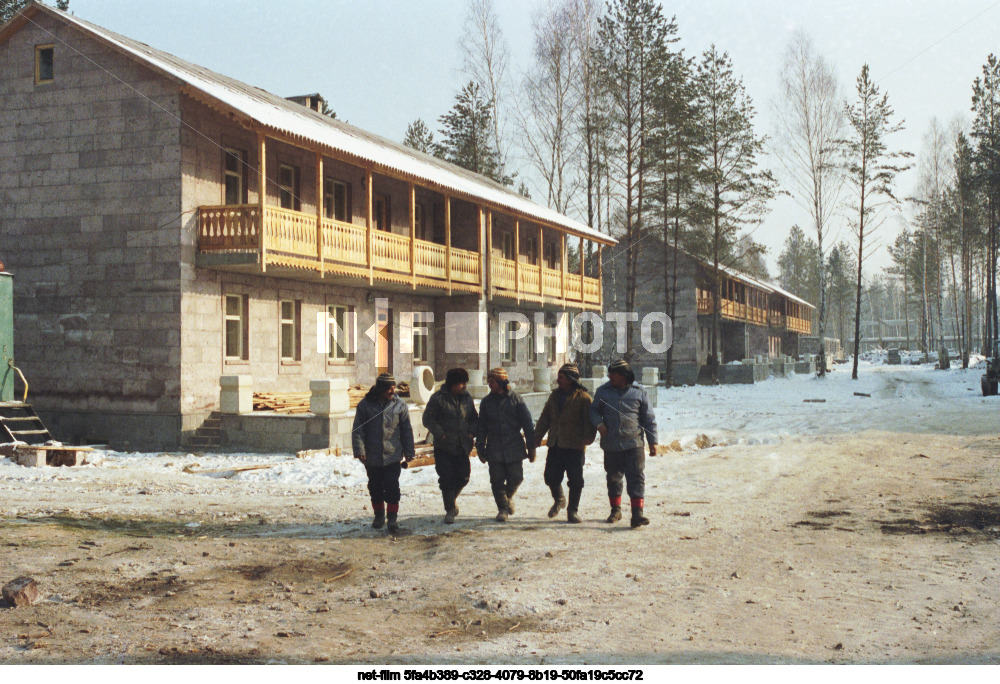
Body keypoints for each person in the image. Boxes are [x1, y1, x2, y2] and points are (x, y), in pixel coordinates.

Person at [589, 359, 658, 528]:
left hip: (634, 445)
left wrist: (653, 441)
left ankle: (637, 514)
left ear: (623, 375)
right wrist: (599, 424)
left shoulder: (639, 392)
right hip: (611, 444)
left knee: (636, 478)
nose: (609, 376)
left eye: (613, 374)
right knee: (613, 479)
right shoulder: (602, 392)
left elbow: (648, 419)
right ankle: (615, 510)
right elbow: (593, 410)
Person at [351, 373, 415, 534]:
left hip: (393, 455)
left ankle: (392, 518)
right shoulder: (365, 406)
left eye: (393, 387)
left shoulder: (399, 405)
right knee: (375, 487)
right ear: (380, 388)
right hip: (372, 456)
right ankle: (379, 515)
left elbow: (406, 430)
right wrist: (360, 450)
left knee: (392, 487)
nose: (392, 390)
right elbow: (358, 430)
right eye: (388, 388)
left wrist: (409, 451)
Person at [533, 363, 596, 523]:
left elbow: (589, 421)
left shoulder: (583, 398)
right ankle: (560, 499)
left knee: (576, 481)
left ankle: (572, 511)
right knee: (550, 477)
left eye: (561, 377)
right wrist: (537, 436)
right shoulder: (554, 396)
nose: (558, 380)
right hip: (555, 444)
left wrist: (589, 436)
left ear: (570, 379)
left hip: (574, 446)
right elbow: (545, 418)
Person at [475, 367, 535, 522]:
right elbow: (481, 427)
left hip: (514, 446)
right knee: (496, 480)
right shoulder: (486, 403)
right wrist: (480, 447)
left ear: (501, 382)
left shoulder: (516, 399)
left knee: (517, 477)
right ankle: (502, 509)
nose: (489, 385)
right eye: (488, 382)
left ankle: (507, 498)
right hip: (494, 447)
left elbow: (528, 424)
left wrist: (531, 446)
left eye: (492, 382)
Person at [422, 367, 478, 524]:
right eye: (461, 384)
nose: (464, 387)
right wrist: (440, 433)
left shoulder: (467, 398)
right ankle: (450, 510)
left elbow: (474, 418)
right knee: (446, 478)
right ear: (453, 384)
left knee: (464, 477)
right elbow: (428, 419)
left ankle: (451, 498)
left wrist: (472, 433)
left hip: (462, 446)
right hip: (444, 447)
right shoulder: (438, 399)